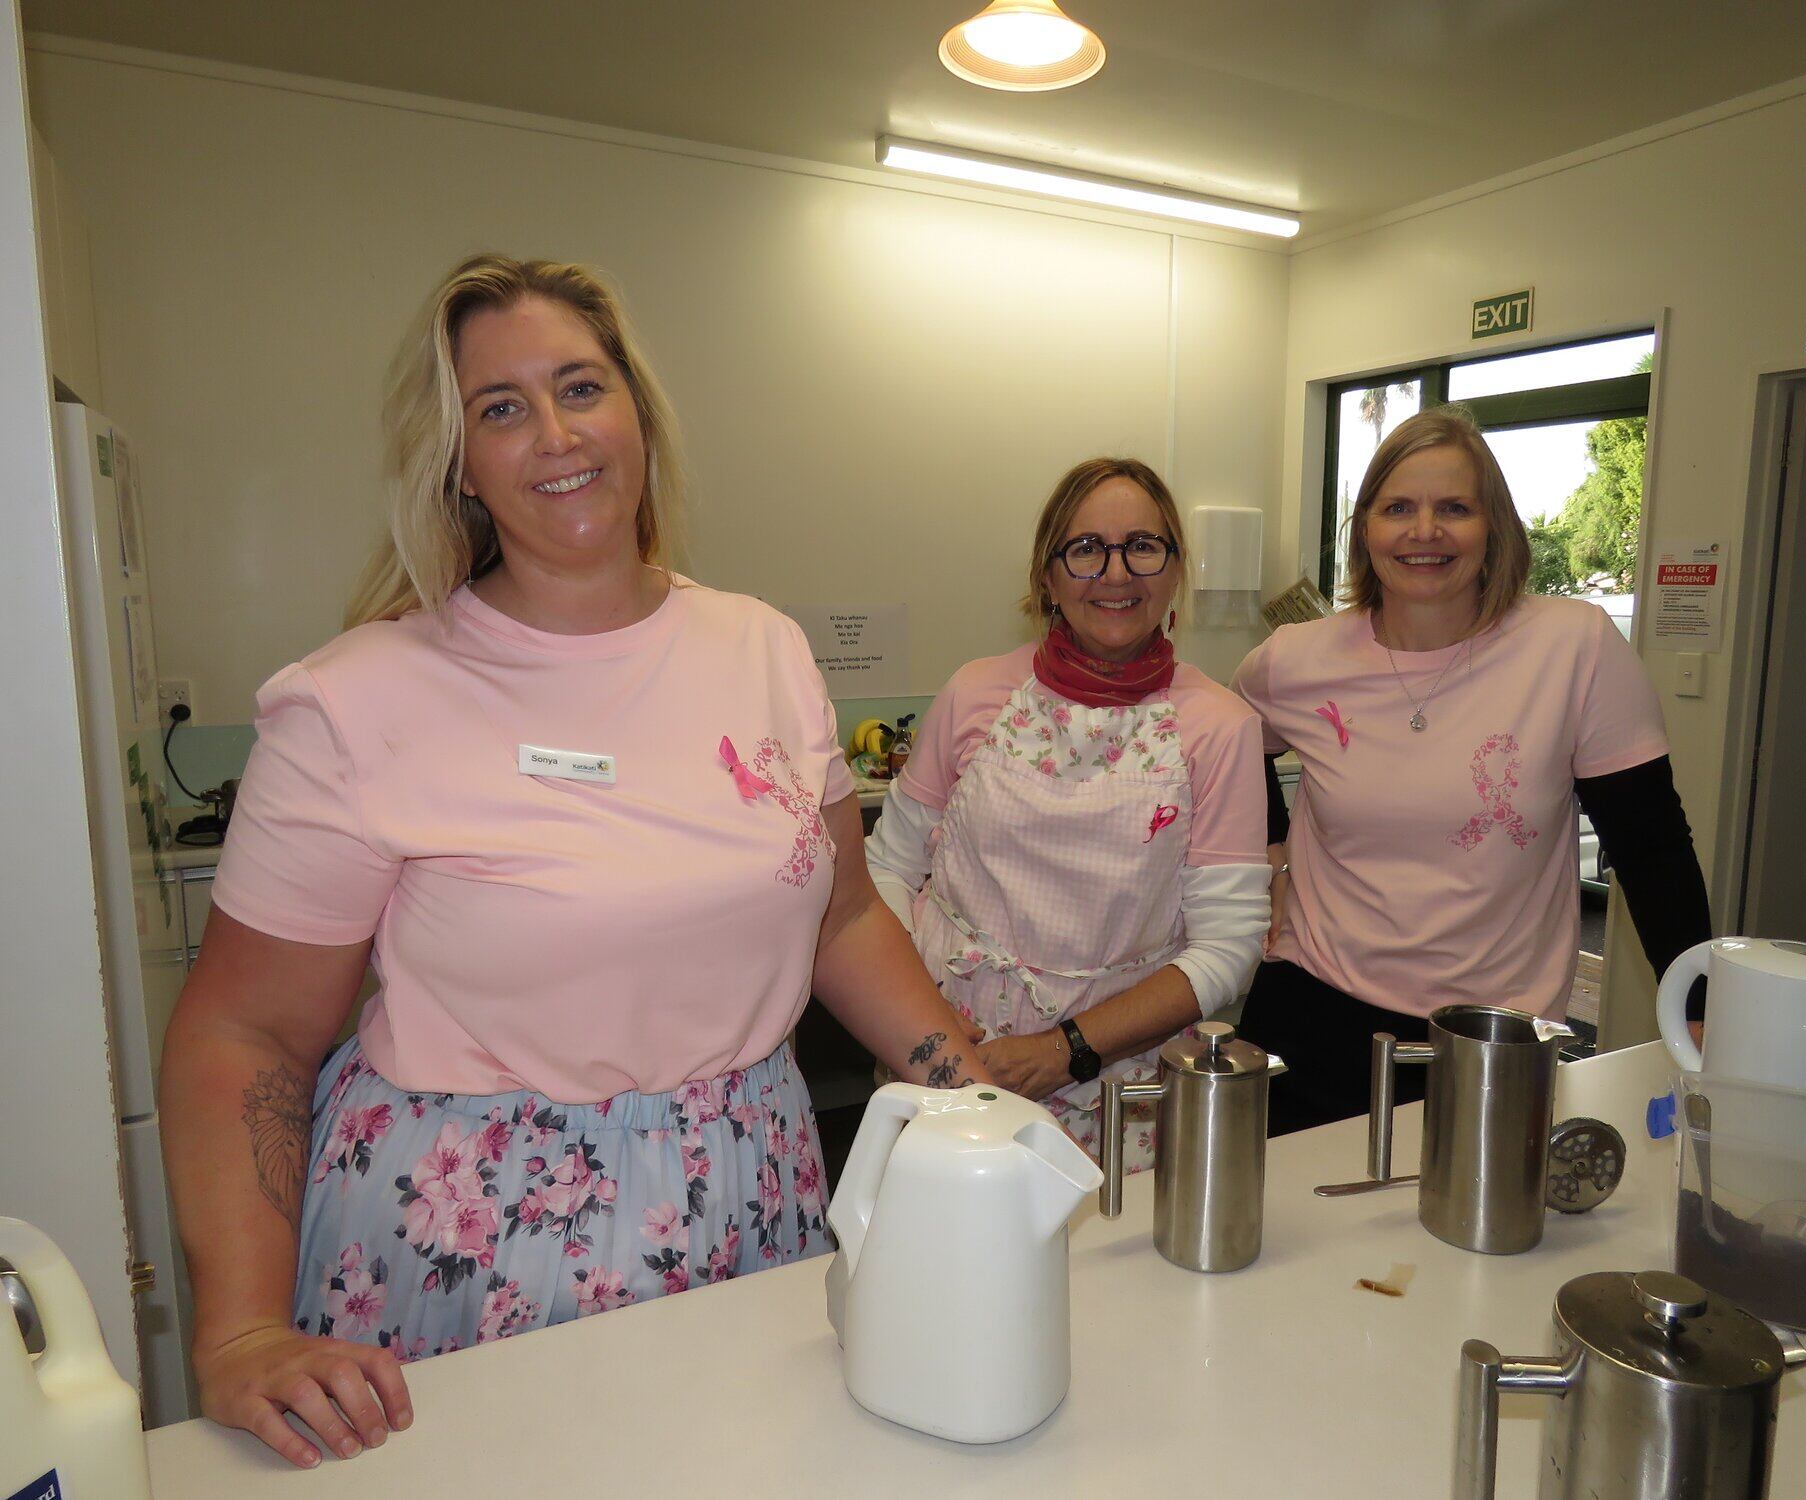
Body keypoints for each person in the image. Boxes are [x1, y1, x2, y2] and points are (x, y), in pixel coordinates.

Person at [158, 255, 989, 1469]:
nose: (554, 433)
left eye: (581, 387)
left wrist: (970, 1097)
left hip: (748, 1199)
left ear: (637, 413)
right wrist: (239, 1331)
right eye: (501, 408)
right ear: (459, 464)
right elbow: (245, 1034)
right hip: (471, 1237)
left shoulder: (762, 648)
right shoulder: (358, 700)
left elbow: (843, 917)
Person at [1232, 406, 1710, 1135]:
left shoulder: (1572, 648)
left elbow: (1652, 847)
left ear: (1494, 528)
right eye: (1398, 508)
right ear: (1365, 529)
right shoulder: (1296, 659)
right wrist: (1270, 852)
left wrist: (1699, 1008)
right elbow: (1234, 745)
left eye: (1454, 508)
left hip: (1490, 1035)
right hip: (1310, 1013)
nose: (1424, 531)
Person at [865, 458, 1270, 1168]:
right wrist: (922, 1020)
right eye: (1085, 549)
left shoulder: (1219, 728)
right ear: (1046, 578)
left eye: (1142, 546)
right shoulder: (974, 694)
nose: (1116, 573)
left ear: (1176, 569)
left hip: (1113, 1085)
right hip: (944, 1058)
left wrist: (1065, 1050)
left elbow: (1228, 948)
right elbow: (888, 867)